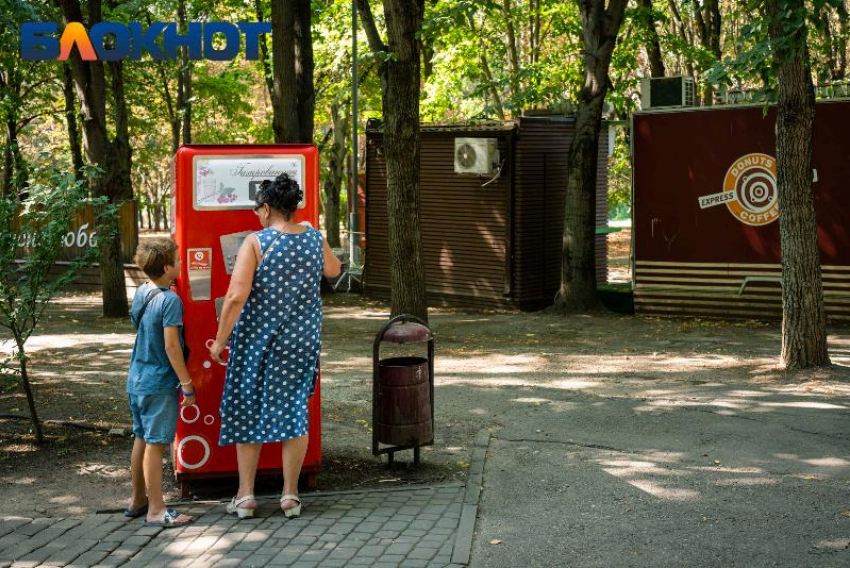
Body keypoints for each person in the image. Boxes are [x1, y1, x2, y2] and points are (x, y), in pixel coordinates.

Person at [210, 173, 341, 519]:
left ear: (266, 208)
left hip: (257, 342)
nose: (257, 215)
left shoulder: (257, 242)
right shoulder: (313, 236)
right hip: (300, 343)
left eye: (258, 209)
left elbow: (236, 297)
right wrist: (314, 234)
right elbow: (334, 269)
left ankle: (246, 495)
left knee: (247, 407)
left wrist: (220, 341)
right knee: (294, 410)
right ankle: (290, 496)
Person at [125, 237, 195, 528]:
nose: (181, 264)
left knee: (141, 437)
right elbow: (171, 347)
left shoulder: (143, 292)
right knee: (156, 443)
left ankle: (138, 499)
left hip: (137, 378)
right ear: (168, 268)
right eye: (178, 261)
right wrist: (187, 383)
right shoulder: (170, 301)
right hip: (159, 382)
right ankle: (156, 510)